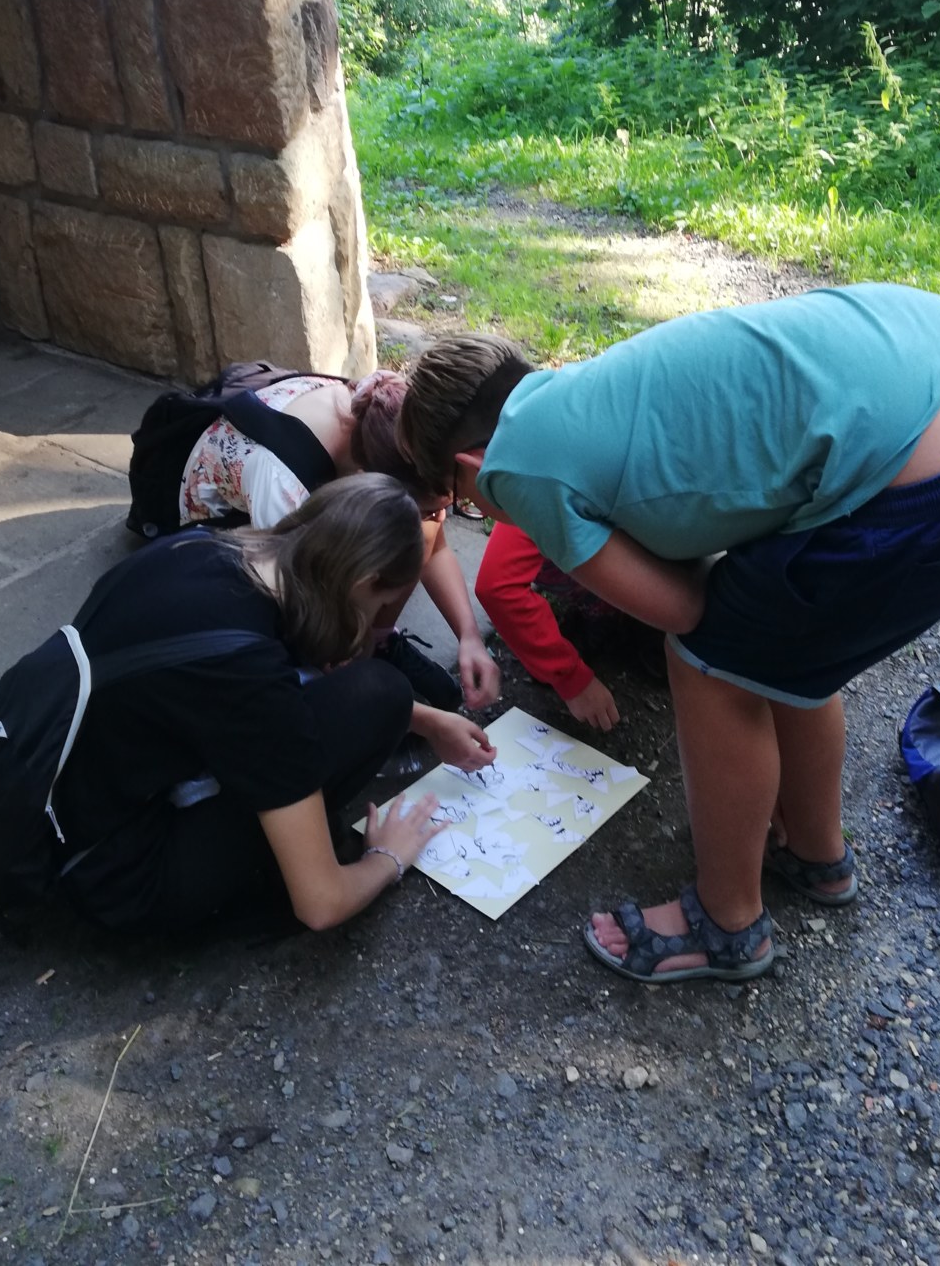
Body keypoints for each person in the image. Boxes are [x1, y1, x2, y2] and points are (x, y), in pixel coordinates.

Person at [399, 283, 940, 984]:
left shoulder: (514, 466)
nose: (480, 513)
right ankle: (816, 854)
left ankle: (727, 924)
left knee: (709, 659)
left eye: (464, 503)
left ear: (470, 467)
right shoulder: (580, 393)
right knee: (787, 646)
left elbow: (683, 611)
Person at [53, 475, 496, 935]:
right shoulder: (252, 680)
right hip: (120, 877)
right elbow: (322, 904)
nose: (372, 624)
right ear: (363, 582)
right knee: (378, 694)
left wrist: (428, 723)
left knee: (384, 695)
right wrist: (389, 856)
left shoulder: (203, 548)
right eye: (379, 605)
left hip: (65, 794)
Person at [179, 368, 500, 714]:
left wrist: (468, 635)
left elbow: (435, 545)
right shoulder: (284, 487)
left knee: (417, 531)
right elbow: (299, 598)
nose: (440, 517)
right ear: (368, 483)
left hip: (299, 493)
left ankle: (378, 639)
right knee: (318, 636)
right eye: (431, 509)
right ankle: (358, 650)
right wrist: (419, 716)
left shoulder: (382, 417)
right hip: (225, 533)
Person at [475, 520, 658, 731]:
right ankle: (601, 608)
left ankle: (651, 614)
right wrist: (570, 677)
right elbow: (497, 586)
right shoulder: (537, 508)